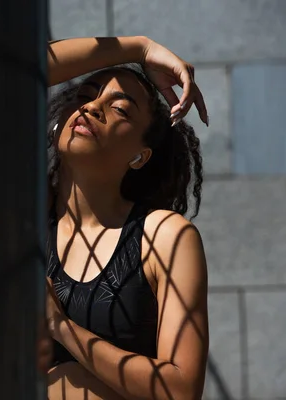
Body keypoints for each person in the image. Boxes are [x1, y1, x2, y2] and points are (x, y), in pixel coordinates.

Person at [38, 37, 210, 400]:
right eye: (85, 94)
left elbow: (180, 390)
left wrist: (62, 328)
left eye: (120, 109)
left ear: (140, 156)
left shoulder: (164, 236)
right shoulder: (28, 216)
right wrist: (139, 48)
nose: (93, 108)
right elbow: (18, 70)